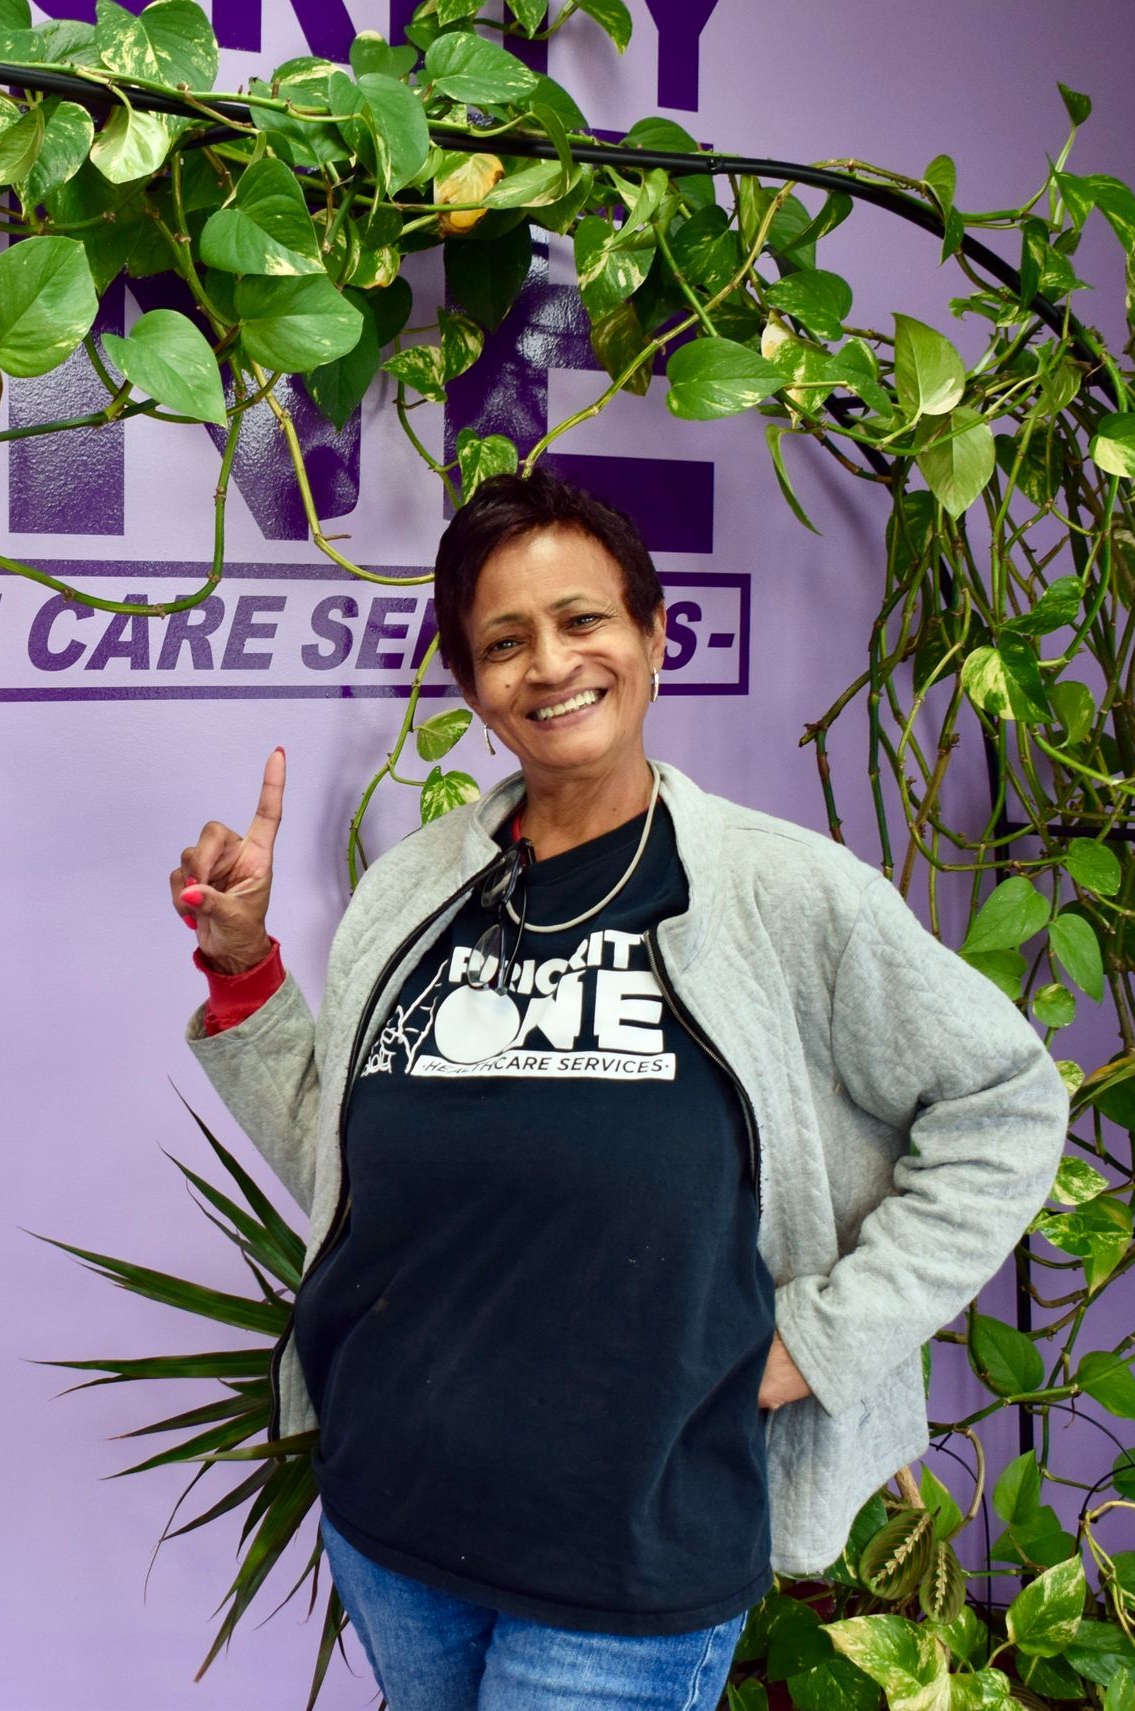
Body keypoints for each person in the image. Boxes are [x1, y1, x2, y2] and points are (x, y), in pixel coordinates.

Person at [171, 470, 1070, 1710]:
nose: (549, 664)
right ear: (473, 685)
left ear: (651, 636)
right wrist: (242, 969)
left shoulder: (783, 893)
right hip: (397, 1521)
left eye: (583, 621)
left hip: (634, 1551)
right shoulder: (418, 887)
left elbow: (1007, 1107)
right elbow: (346, 1170)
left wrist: (821, 1337)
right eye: (504, 641)